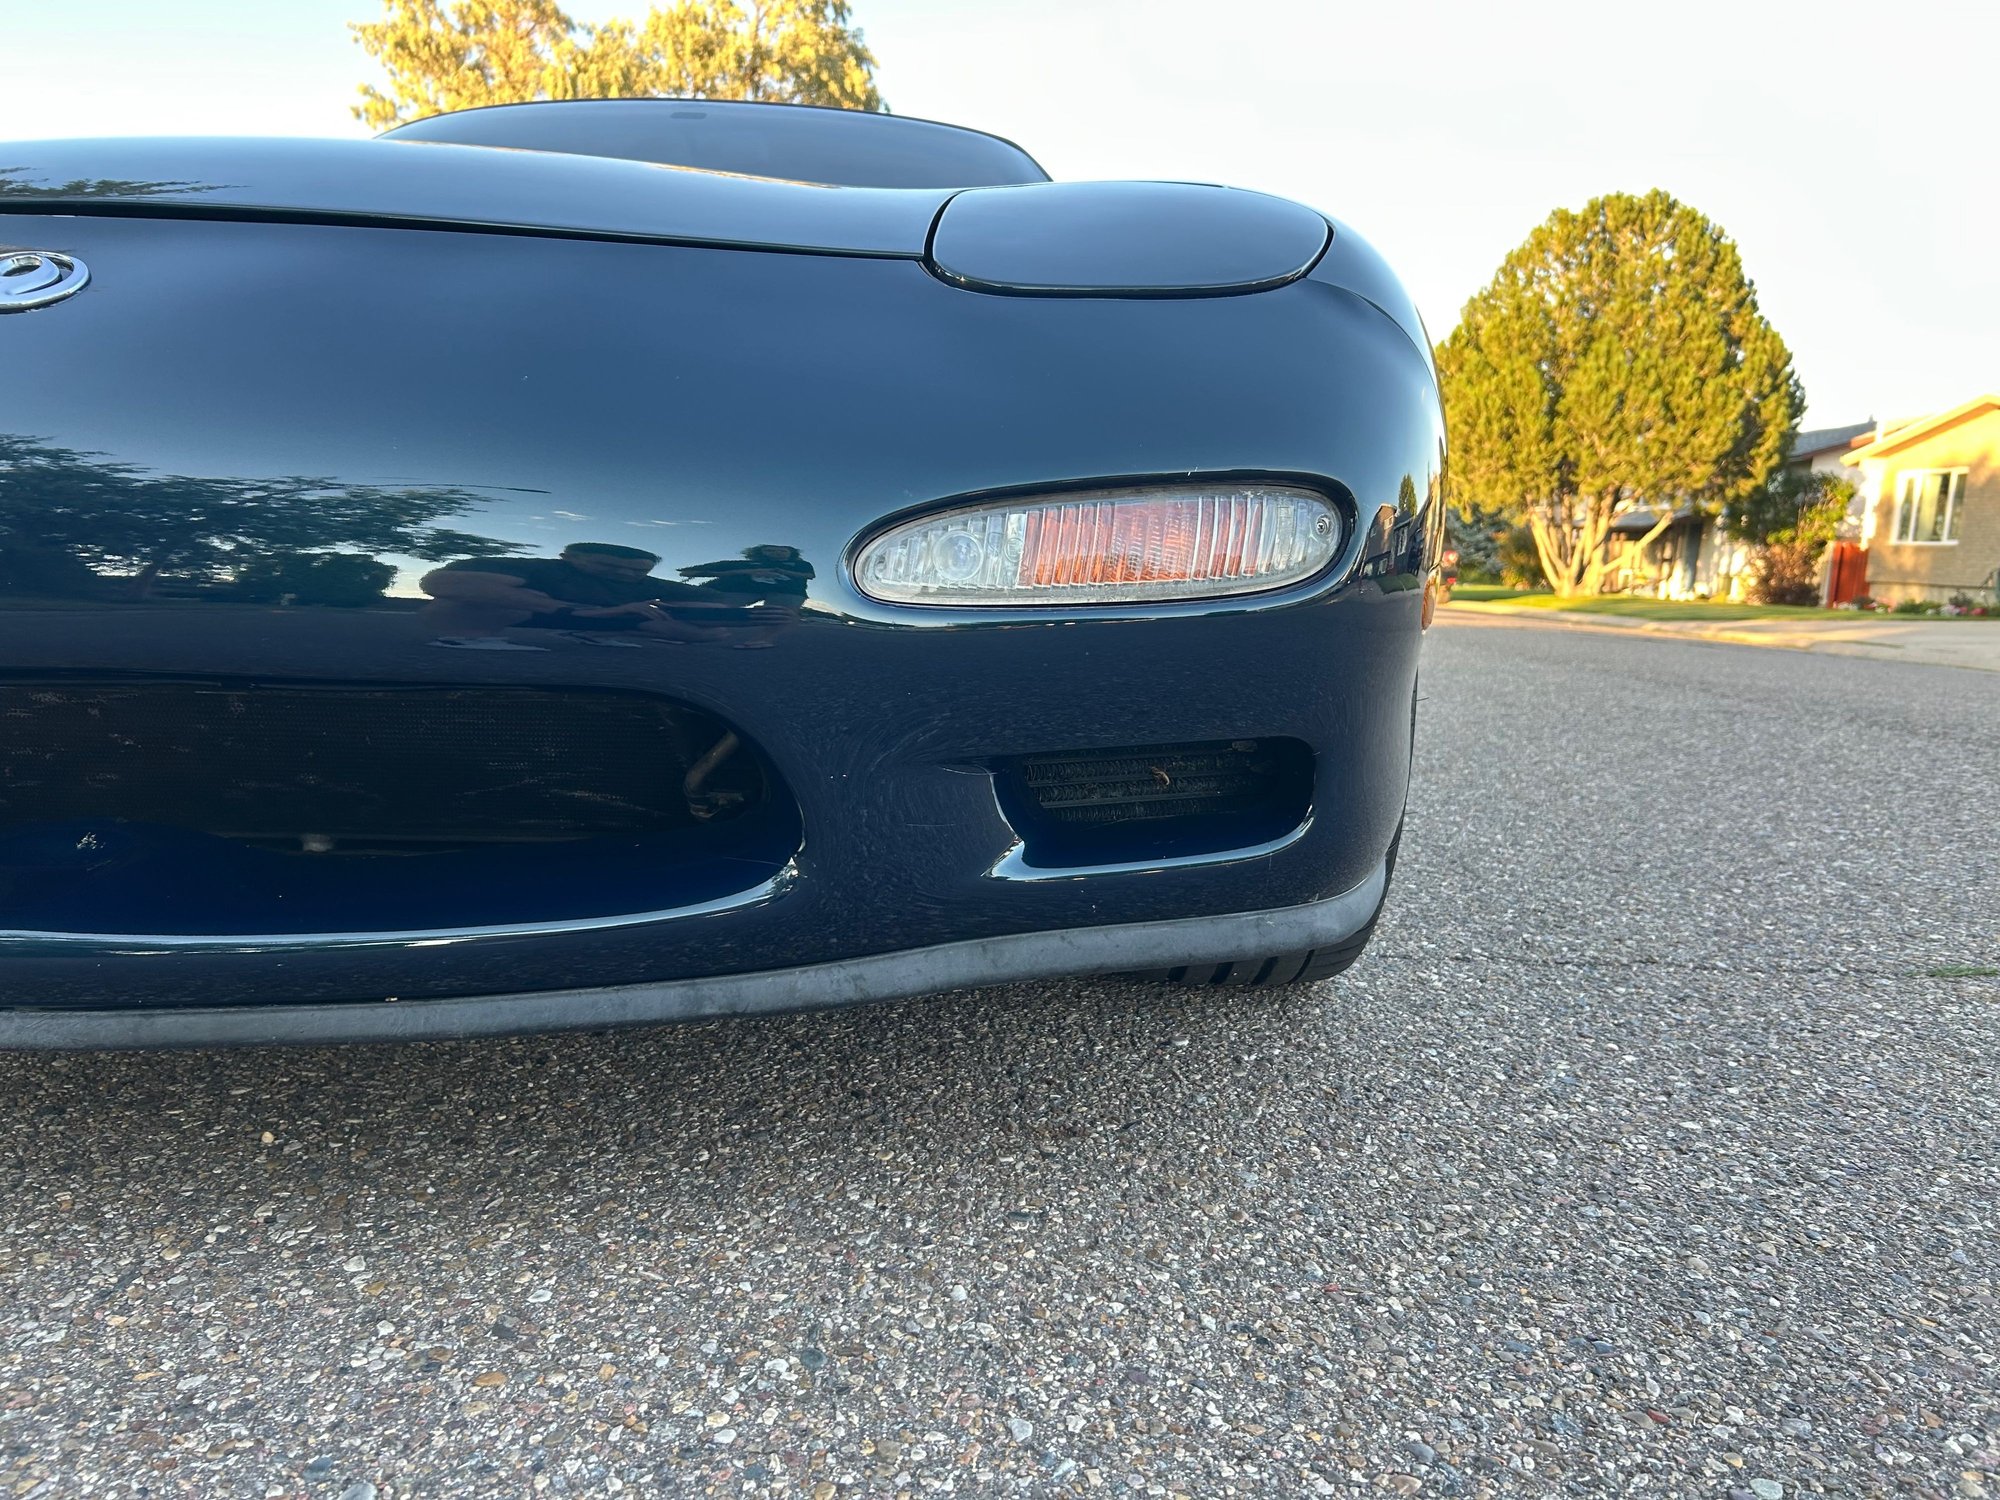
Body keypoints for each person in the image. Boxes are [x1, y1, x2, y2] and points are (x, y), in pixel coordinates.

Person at [420, 542, 737, 648]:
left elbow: (716, 604)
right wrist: (570, 609)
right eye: (608, 567)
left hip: (604, 620)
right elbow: (438, 582)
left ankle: (587, 631)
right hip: (521, 615)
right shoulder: (533, 567)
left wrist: (669, 608)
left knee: (713, 631)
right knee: (457, 597)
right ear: (569, 557)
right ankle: (469, 636)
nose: (626, 576)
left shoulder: (645, 585)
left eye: (637, 571)